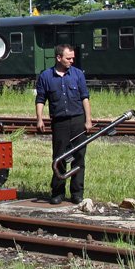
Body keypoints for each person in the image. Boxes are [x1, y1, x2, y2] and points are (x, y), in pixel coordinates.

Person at [35, 44, 93, 204]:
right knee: (59, 157)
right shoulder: (46, 76)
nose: (72, 61)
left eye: (73, 58)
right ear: (58, 58)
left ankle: (77, 193)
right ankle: (58, 192)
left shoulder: (78, 74)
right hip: (59, 122)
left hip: (78, 120)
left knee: (79, 157)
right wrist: (39, 119)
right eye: (69, 58)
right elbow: (40, 99)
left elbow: (85, 98)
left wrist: (88, 120)